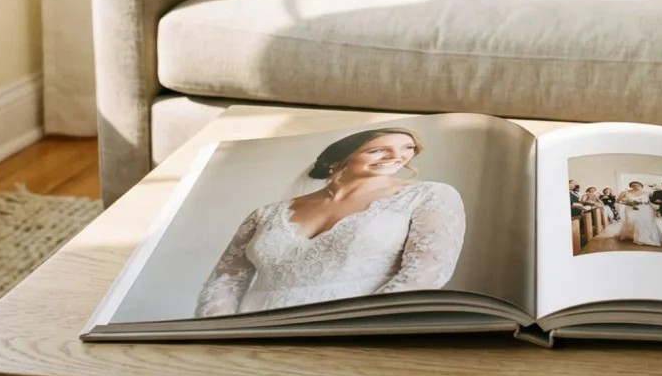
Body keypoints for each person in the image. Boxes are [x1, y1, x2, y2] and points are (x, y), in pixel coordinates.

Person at [196, 129, 465, 316]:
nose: (397, 157)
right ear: (340, 160)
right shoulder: (266, 214)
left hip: (353, 331)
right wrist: (221, 332)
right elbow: (224, 282)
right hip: (254, 329)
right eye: (378, 150)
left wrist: (362, 326)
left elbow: (424, 275)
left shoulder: (428, 196)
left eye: (407, 148)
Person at [615, 180, 662, 247]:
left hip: (645, 209)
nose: (636, 187)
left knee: (644, 222)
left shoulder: (647, 193)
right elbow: (618, 201)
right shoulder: (625, 192)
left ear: (641, 186)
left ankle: (642, 238)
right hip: (631, 209)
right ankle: (632, 235)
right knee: (631, 221)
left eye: (638, 185)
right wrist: (629, 203)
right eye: (633, 185)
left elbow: (657, 199)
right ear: (631, 186)